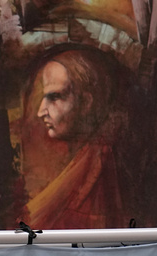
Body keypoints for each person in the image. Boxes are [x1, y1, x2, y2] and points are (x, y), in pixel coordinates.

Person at [24, 48, 122, 230]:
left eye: (54, 97)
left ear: (86, 102)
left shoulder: (99, 171)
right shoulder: (69, 161)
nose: (40, 111)